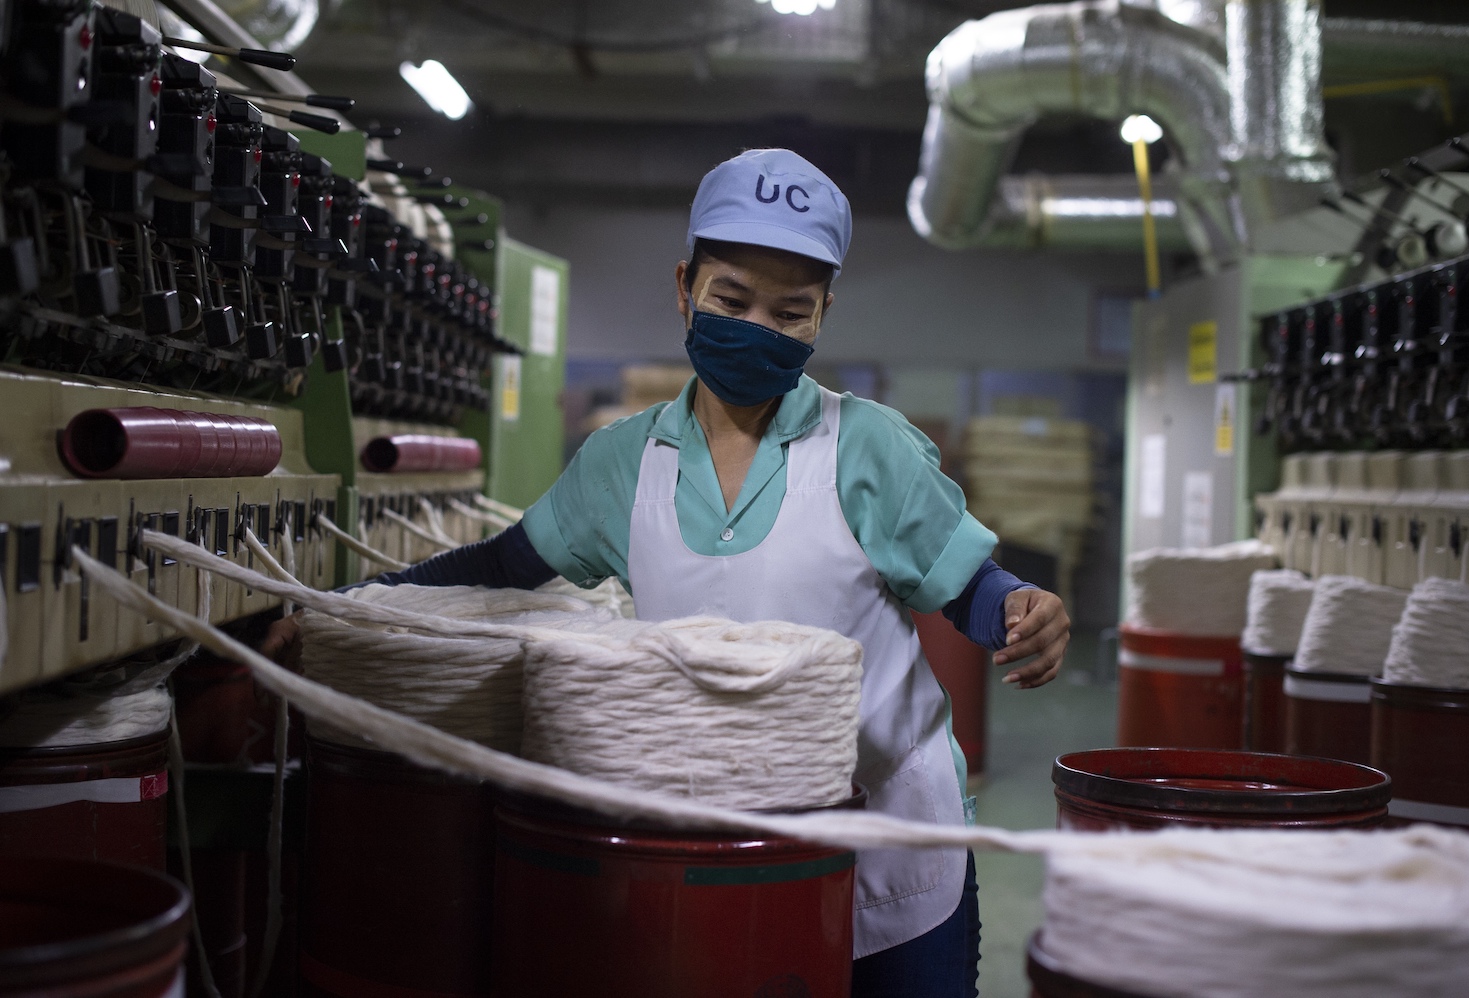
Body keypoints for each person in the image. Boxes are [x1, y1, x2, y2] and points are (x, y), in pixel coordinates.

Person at [276, 148, 1069, 997]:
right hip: (707, 837)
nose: (757, 325)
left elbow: (969, 588)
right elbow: (501, 567)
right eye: (732, 299)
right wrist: (348, 609)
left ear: (823, 316)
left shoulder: (866, 446)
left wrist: (1021, 608)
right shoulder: (625, 463)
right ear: (685, 284)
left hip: (888, 838)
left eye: (790, 311)